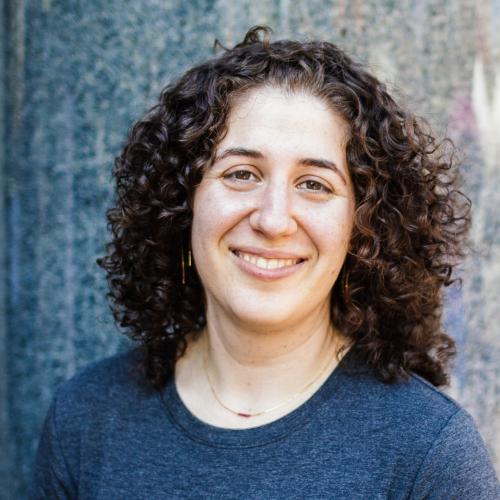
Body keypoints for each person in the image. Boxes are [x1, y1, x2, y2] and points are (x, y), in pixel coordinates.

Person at [31, 26, 499, 498]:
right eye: (241, 174)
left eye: (314, 184)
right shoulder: (85, 420)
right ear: (181, 202)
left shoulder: (429, 454)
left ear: (364, 226)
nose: (273, 220)